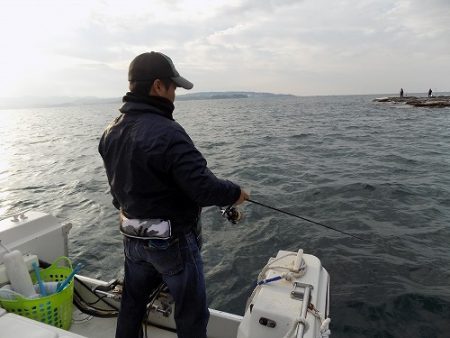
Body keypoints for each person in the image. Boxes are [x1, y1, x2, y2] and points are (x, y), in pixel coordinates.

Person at [98, 51, 249, 338]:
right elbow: (204, 188)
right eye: (174, 87)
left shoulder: (110, 131)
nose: (175, 95)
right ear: (158, 86)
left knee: (132, 302)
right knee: (191, 312)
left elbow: (117, 195)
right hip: (172, 243)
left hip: (132, 236)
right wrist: (236, 192)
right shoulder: (169, 132)